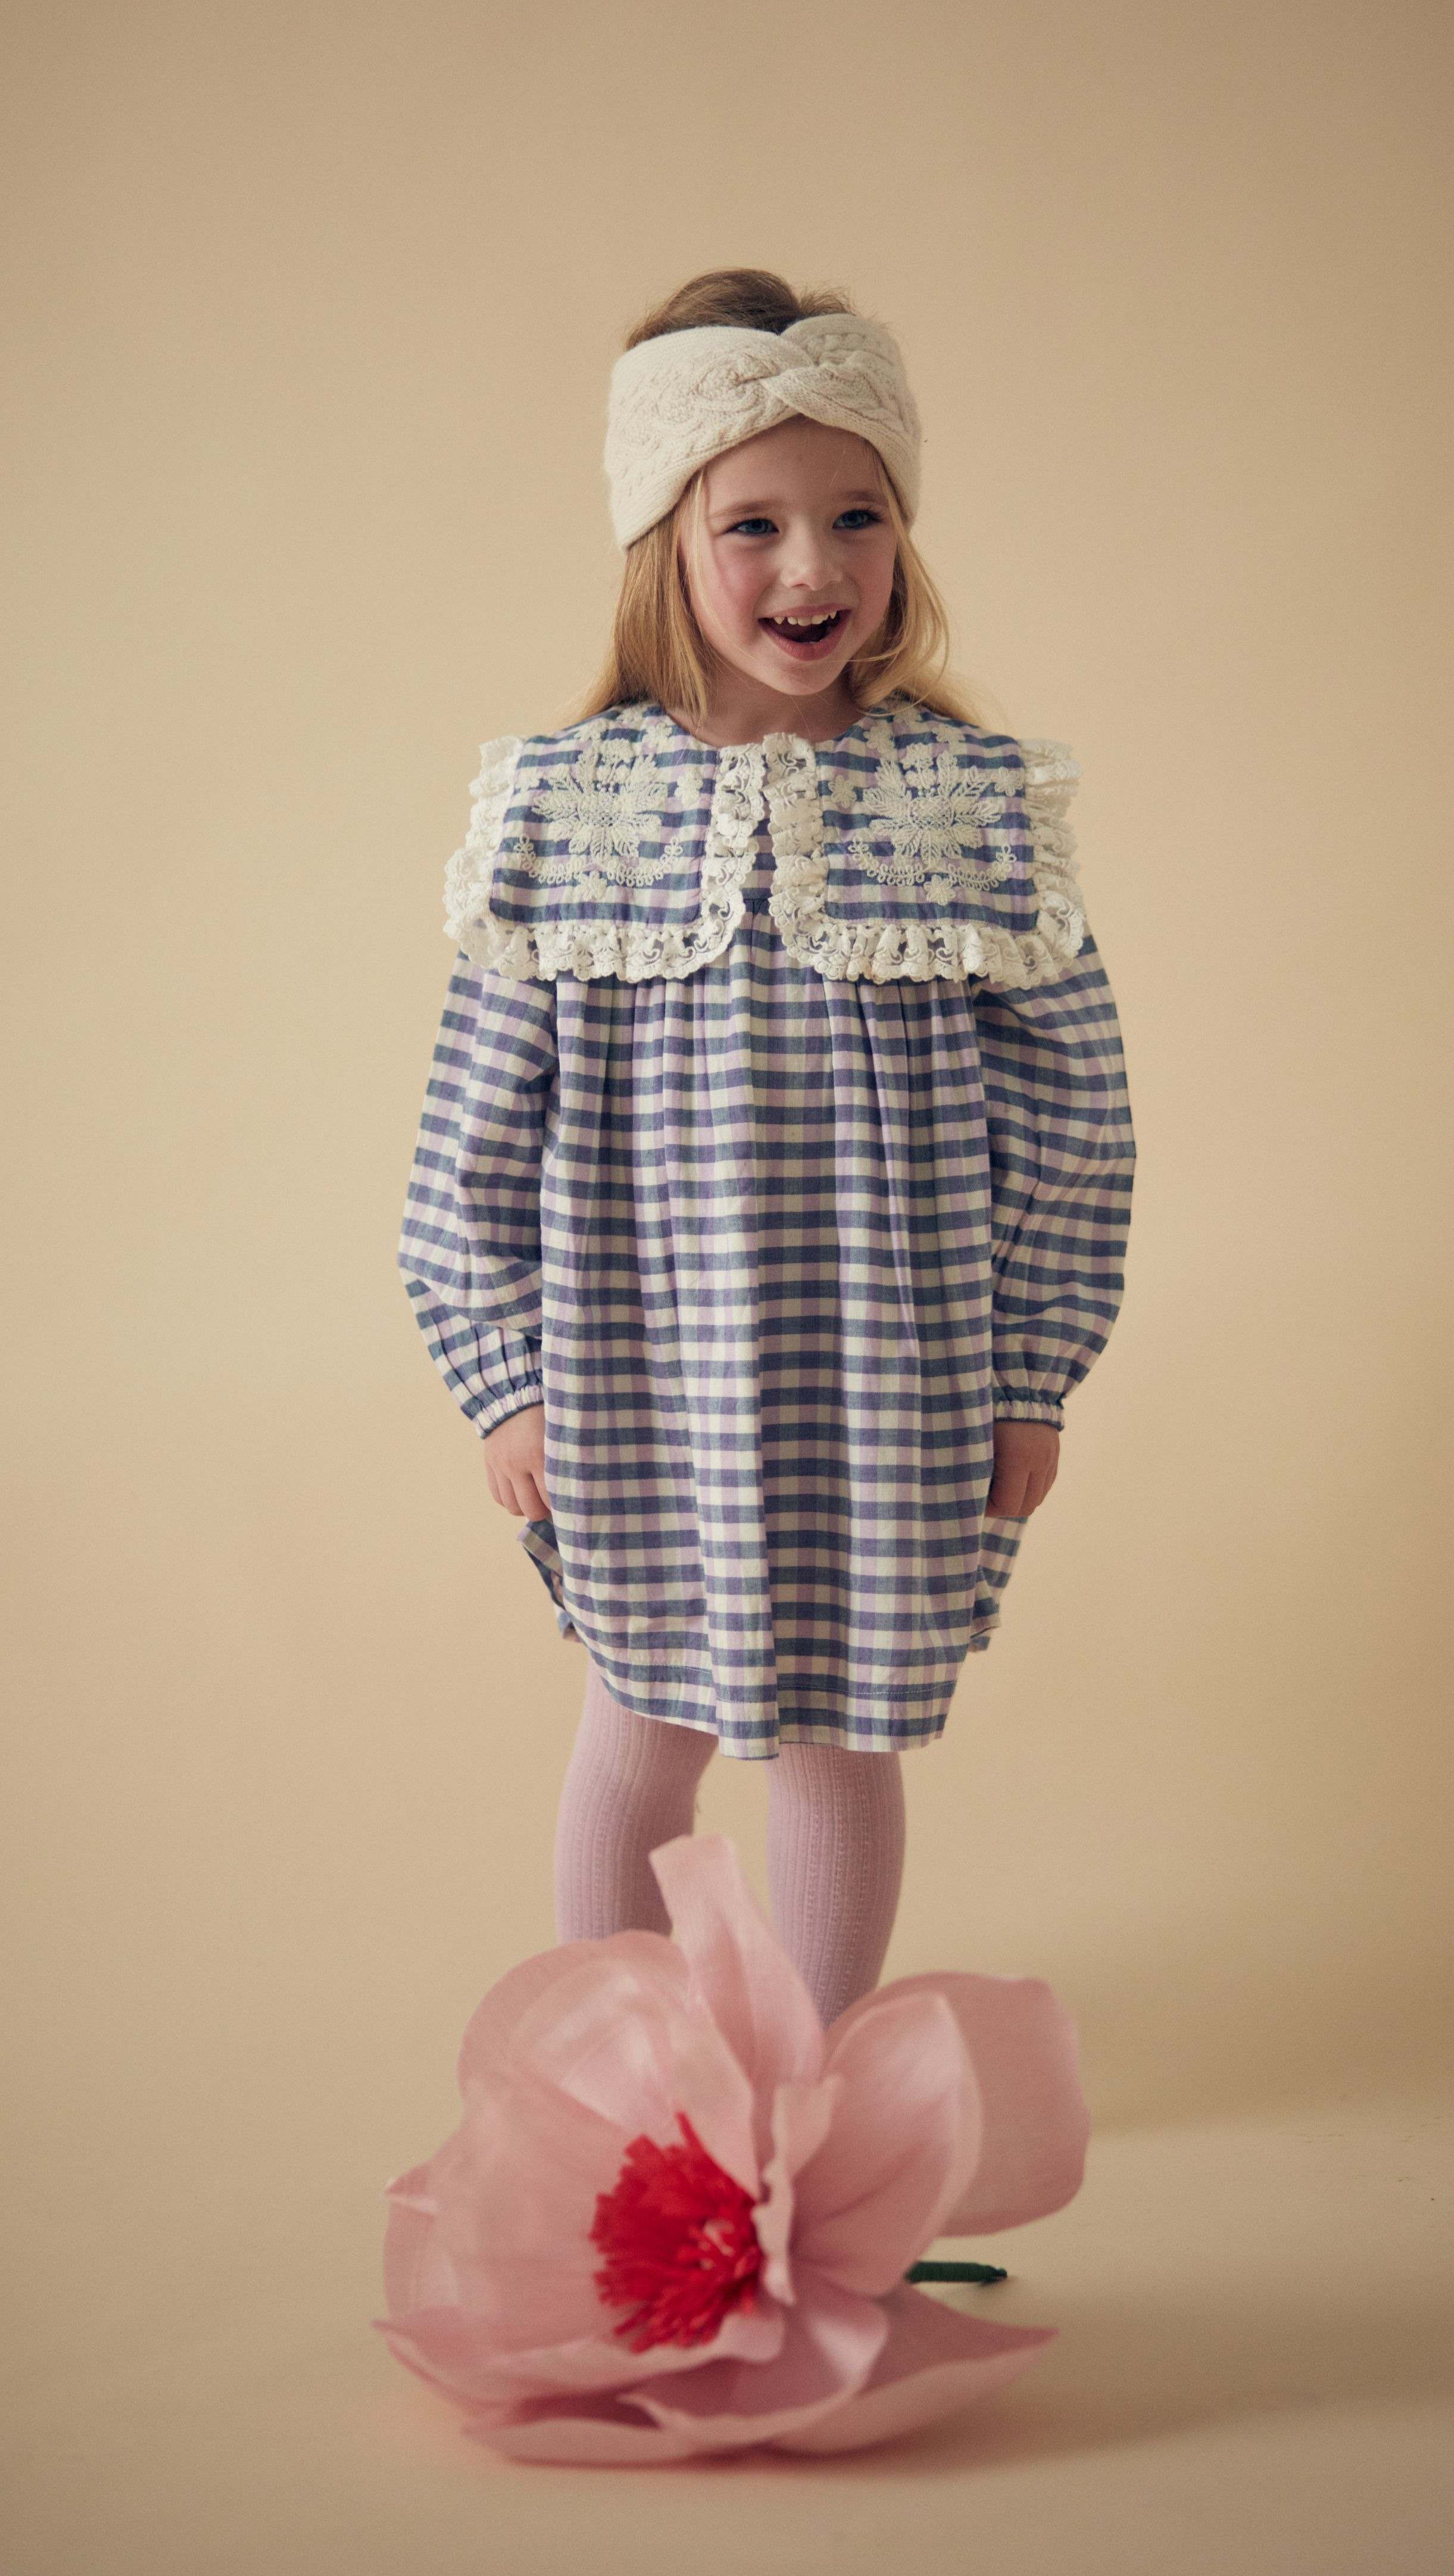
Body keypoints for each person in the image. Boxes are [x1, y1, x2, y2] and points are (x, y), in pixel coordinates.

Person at [398, 268, 1136, 2029]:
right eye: (754, 524)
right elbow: (472, 1132)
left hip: (888, 1378)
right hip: (639, 1376)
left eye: (856, 515)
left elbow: (1075, 1120)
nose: (813, 566)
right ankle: (613, 2064)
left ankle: (806, 2084)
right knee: (638, 1726)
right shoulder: (569, 806)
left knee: (837, 1743)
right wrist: (506, 1376)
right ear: (664, 538)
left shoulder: (966, 804)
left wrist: (1032, 1376)